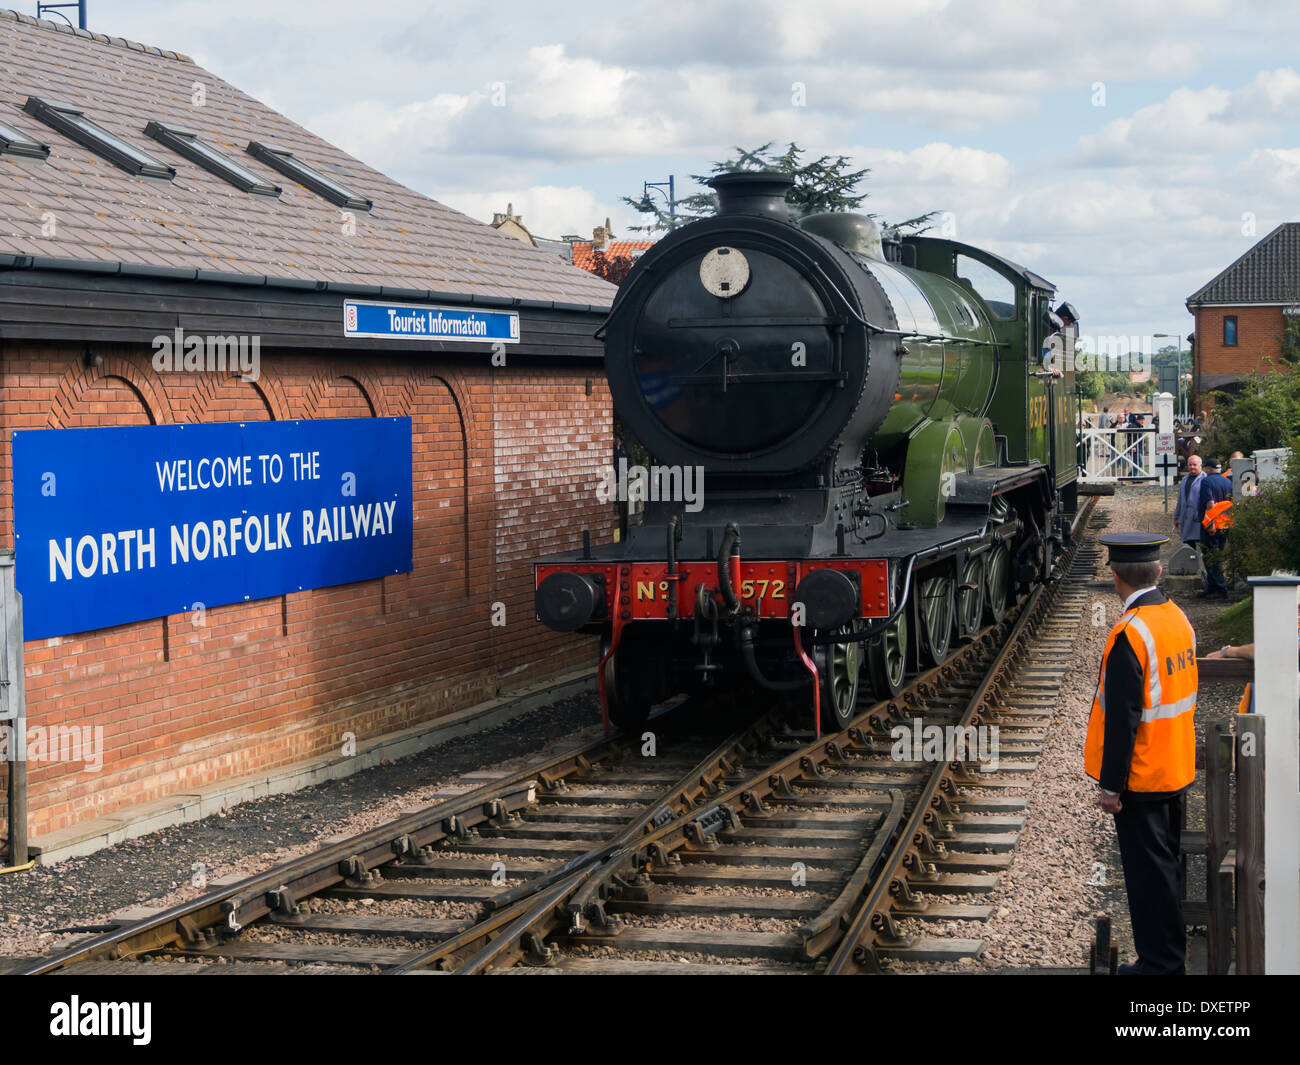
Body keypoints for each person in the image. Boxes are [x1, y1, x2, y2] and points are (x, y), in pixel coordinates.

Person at [1085, 532, 1197, 976]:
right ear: (1159, 572)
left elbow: (1123, 719)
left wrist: (1111, 786)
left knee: (1149, 879)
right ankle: (1167, 958)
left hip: (1144, 776)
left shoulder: (1130, 634)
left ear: (1116, 579)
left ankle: (1161, 966)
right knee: (1166, 871)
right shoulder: (1178, 619)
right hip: (1176, 764)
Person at [1197, 458, 1232, 598]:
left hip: (1212, 525)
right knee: (1218, 554)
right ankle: (1211, 587)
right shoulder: (1227, 481)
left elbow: (1210, 504)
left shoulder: (1206, 481)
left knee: (1211, 556)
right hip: (1226, 524)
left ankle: (1221, 588)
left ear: (1208, 469)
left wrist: (1210, 523)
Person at [1173, 454, 1205, 578]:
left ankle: (1204, 573)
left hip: (1199, 519)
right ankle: (1193, 570)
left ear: (1200, 465)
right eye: (1190, 465)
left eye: (1195, 465)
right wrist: (1176, 516)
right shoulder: (1185, 479)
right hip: (1186, 519)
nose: (1192, 467)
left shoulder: (1204, 479)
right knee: (1188, 546)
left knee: (1203, 546)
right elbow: (1180, 500)